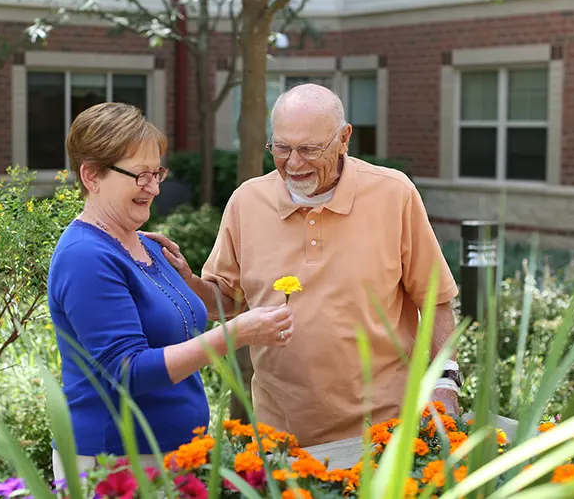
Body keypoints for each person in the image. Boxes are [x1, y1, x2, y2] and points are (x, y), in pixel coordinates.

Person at [145, 84, 460, 448]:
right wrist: (187, 280)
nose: (293, 164)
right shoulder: (247, 202)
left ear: (344, 139)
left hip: (384, 431)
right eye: (281, 147)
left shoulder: (394, 194)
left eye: (309, 149)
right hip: (282, 435)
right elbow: (227, 304)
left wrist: (445, 381)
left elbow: (435, 298)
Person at [47, 102, 294, 480]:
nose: (154, 187)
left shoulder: (145, 243)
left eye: (157, 172)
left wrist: (191, 282)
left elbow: (180, 319)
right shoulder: (85, 256)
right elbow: (128, 370)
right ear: (92, 175)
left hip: (173, 454)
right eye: (140, 175)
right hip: (116, 463)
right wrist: (237, 334)